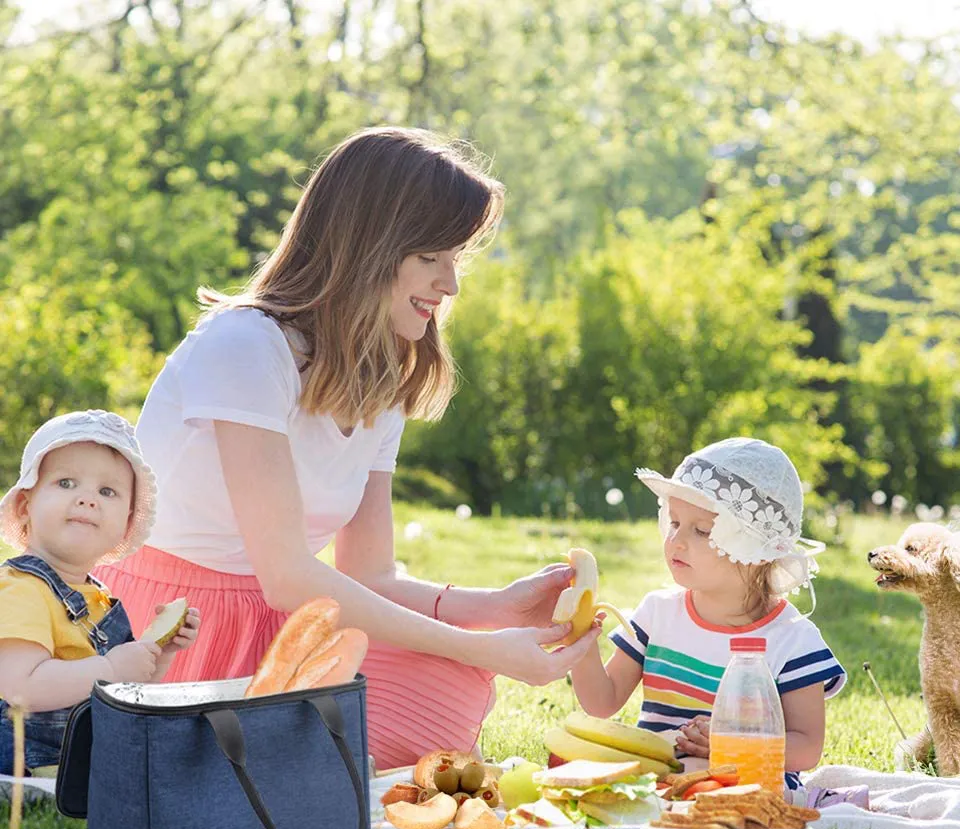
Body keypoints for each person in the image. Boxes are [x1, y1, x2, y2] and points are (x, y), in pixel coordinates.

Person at [96, 127, 598, 770]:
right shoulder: (246, 346)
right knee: (455, 667)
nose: (451, 284)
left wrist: (491, 608)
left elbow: (369, 576)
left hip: (287, 623)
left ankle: (295, 754)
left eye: (456, 257)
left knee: (447, 679)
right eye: (430, 257)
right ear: (369, 245)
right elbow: (288, 576)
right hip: (177, 626)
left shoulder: (382, 376)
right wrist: (488, 648)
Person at [570, 437, 869, 809]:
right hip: (656, 772)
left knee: (697, 769)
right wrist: (580, 643)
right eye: (674, 522)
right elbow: (602, 702)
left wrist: (730, 743)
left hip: (749, 779)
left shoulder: (792, 639)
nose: (675, 541)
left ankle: (812, 799)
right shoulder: (657, 614)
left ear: (754, 550)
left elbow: (807, 748)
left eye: (700, 531)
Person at [0, 410, 200, 776]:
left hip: (77, 762)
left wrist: (158, 654)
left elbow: (122, 692)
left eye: (107, 491)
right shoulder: (20, 589)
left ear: (125, 524)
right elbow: (20, 688)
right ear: (26, 507)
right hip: (26, 764)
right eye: (65, 483)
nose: (88, 499)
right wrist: (109, 667)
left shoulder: (98, 597)